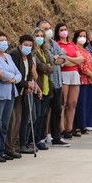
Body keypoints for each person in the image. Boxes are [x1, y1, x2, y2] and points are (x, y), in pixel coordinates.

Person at [0, 32, 22, 161]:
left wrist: (13, 79)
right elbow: (0, 73)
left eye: (5, 40)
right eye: (1, 41)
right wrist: (11, 77)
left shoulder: (8, 56)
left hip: (11, 92)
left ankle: (2, 149)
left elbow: (18, 73)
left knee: (5, 124)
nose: (4, 43)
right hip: (0, 94)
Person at [37, 19, 69, 147]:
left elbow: (63, 57)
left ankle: (56, 137)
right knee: (44, 112)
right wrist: (56, 58)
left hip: (57, 82)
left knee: (57, 110)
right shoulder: (39, 45)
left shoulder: (54, 43)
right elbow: (50, 60)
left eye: (49, 28)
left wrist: (57, 58)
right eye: (45, 29)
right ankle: (42, 137)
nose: (48, 31)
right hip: (46, 83)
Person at [9, 34, 40, 154]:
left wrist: (30, 84)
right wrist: (26, 84)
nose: (27, 47)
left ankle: (23, 144)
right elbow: (16, 73)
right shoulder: (15, 54)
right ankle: (10, 146)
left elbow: (30, 73)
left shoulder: (29, 55)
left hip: (25, 90)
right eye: (25, 45)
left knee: (25, 118)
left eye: (30, 45)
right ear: (20, 44)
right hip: (16, 90)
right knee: (15, 120)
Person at [56, 23, 83, 138]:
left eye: (65, 29)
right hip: (64, 73)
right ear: (58, 32)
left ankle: (69, 128)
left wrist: (69, 58)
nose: (64, 31)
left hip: (74, 74)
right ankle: (62, 128)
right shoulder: (57, 45)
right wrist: (73, 61)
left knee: (72, 103)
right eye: (61, 30)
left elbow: (81, 59)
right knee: (64, 102)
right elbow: (62, 62)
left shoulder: (72, 44)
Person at [32, 27, 53, 149]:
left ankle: (40, 138)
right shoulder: (33, 52)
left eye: (41, 36)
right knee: (37, 116)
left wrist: (47, 67)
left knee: (43, 115)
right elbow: (41, 67)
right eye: (37, 35)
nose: (40, 38)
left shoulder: (45, 50)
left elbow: (51, 66)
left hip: (46, 86)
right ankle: (34, 139)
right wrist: (47, 67)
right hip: (38, 86)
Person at [74, 29, 92, 135]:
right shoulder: (75, 49)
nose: (82, 38)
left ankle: (88, 124)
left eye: (84, 36)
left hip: (90, 81)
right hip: (83, 80)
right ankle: (81, 125)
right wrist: (91, 75)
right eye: (80, 36)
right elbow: (82, 66)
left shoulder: (86, 50)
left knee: (88, 103)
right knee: (82, 103)